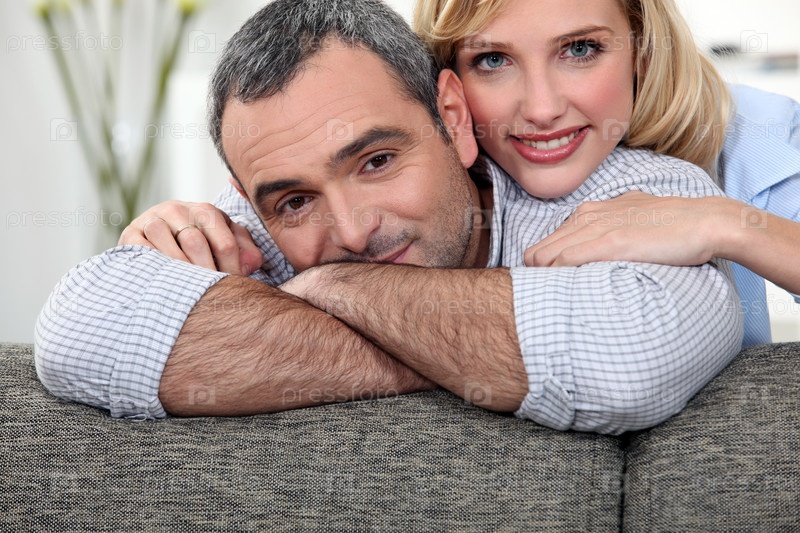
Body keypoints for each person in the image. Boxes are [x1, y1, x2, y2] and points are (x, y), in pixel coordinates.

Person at [35, 0, 742, 435]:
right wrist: (471, 350)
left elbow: (631, 361)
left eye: (376, 160)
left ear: (453, 119)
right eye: (295, 200)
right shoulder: (251, 229)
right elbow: (79, 330)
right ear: (250, 200)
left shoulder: (638, 192)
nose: (350, 231)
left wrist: (329, 287)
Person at [414, 0, 800, 347]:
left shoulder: (755, 131)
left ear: (642, 52)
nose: (541, 110)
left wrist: (723, 224)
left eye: (580, 49)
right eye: (493, 60)